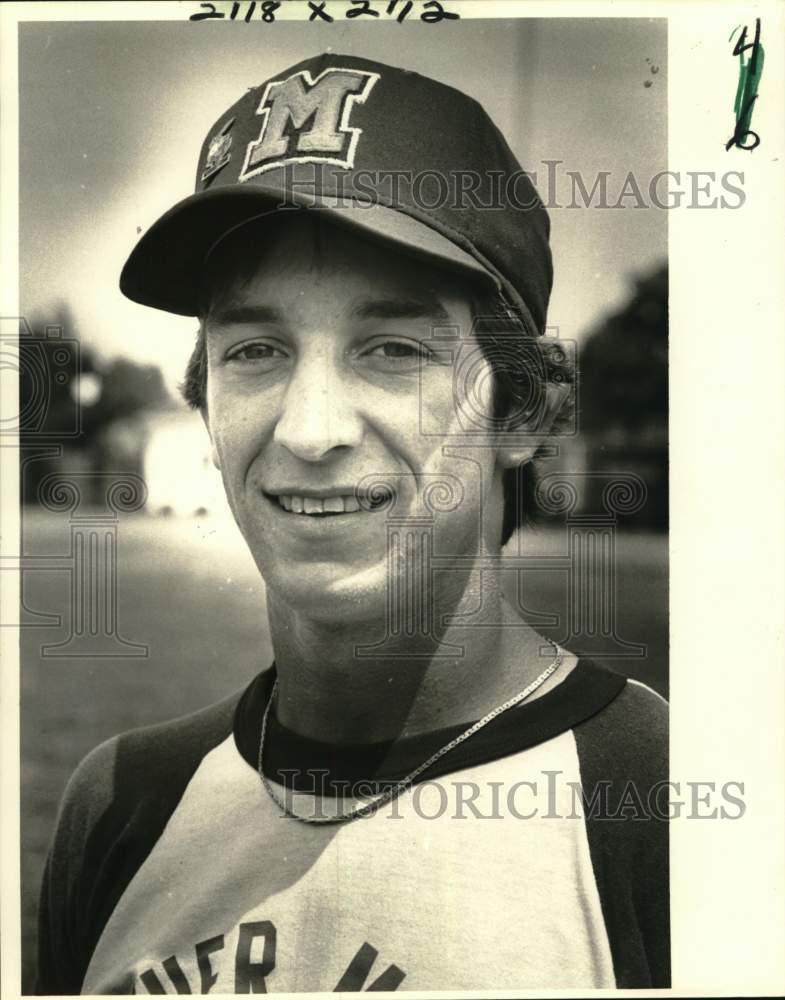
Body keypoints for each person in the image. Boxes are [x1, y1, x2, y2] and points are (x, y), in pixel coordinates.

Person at [36, 53, 668, 994]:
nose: (310, 429)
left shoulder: (654, 801)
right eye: (255, 350)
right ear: (205, 403)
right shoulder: (124, 802)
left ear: (525, 411)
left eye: (394, 349)